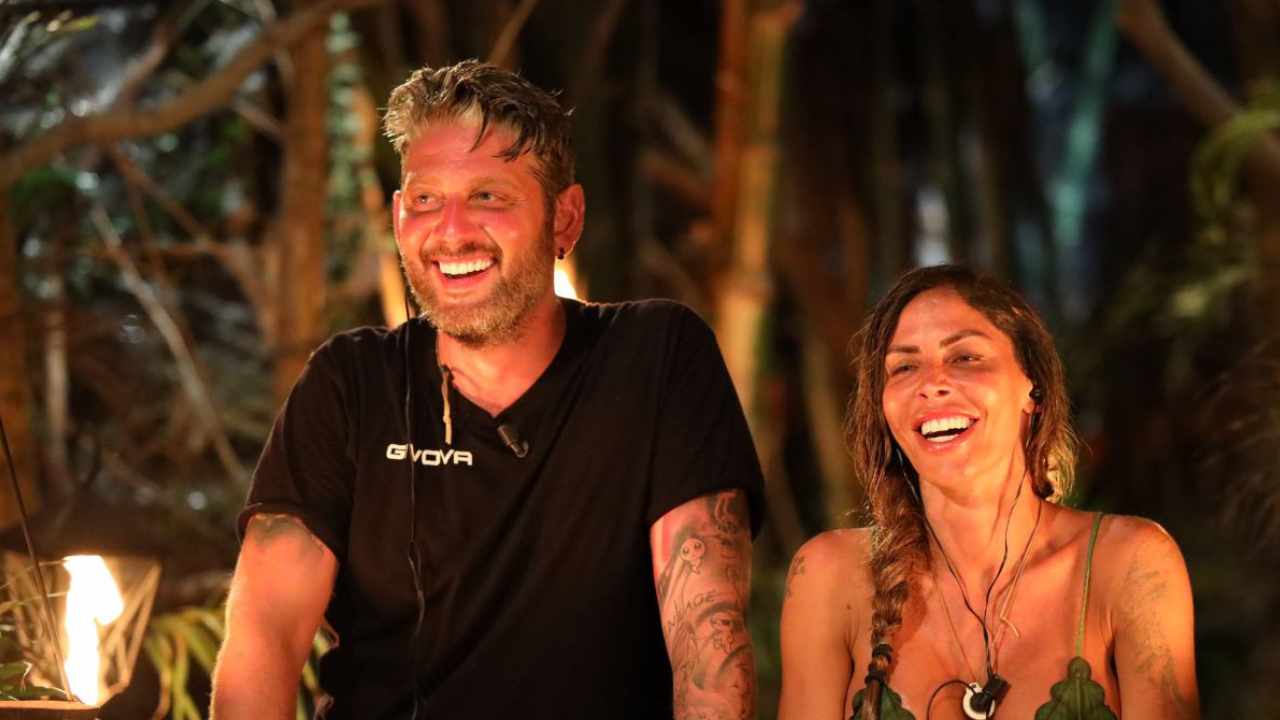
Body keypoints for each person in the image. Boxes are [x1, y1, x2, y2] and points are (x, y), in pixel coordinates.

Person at [210, 60, 764, 720]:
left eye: (488, 197)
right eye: (425, 200)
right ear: (398, 217)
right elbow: (265, 636)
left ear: (565, 219)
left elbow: (709, 649)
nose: (451, 231)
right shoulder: (349, 383)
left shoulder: (655, 356)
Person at [777, 265, 1199, 720]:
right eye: (904, 367)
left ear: (1032, 386)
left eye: (964, 358)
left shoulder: (1130, 565)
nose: (931, 384)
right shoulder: (828, 577)